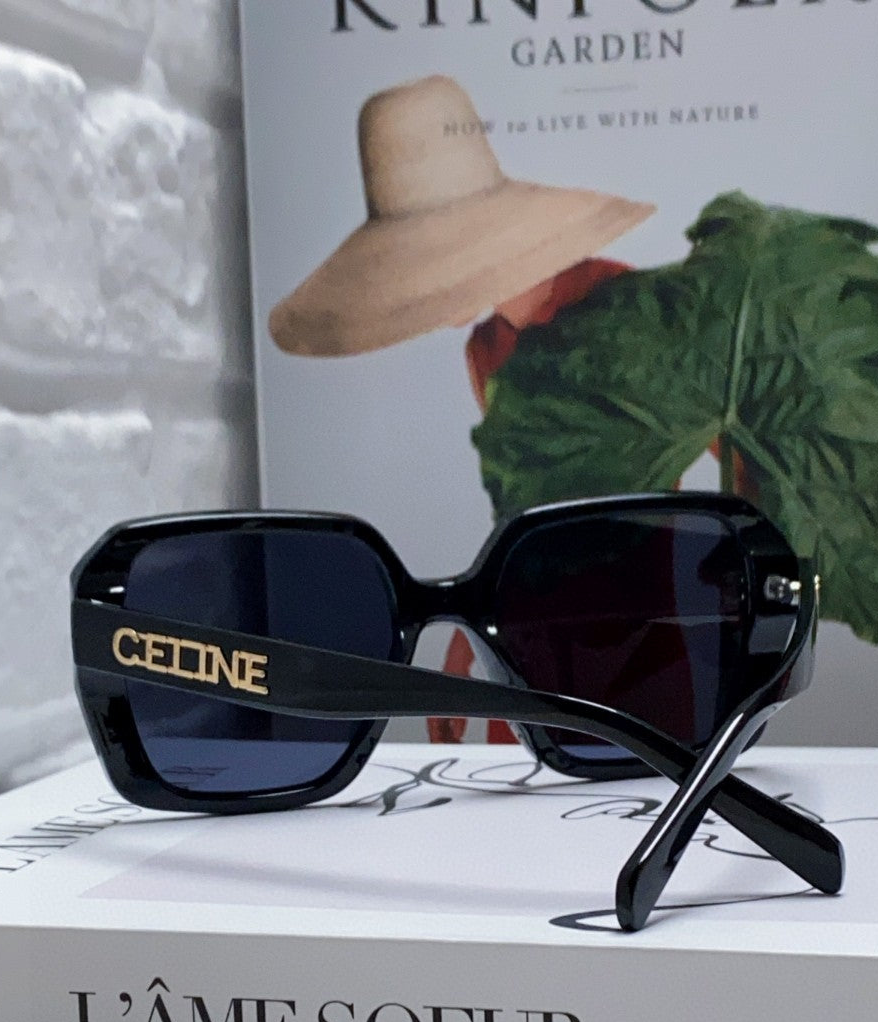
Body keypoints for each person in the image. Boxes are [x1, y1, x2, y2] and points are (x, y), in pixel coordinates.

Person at [269, 73, 654, 742]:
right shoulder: (488, 348)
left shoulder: (628, 306)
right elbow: (524, 503)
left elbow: (735, 461)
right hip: (539, 626)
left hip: (646, 620)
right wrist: (473, 628)